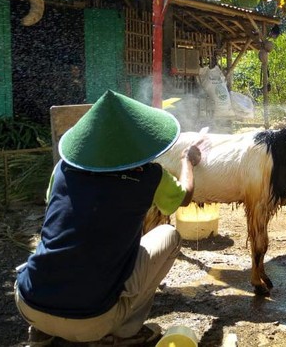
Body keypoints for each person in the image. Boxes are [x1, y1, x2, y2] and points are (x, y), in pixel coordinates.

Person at [14, 90, 201, 345]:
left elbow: (54, 210)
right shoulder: (148, 176)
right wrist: (187, 161)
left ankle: (42, 331)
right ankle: (127, 330)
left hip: (28, 303)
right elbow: (185, 197)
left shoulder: (62, 169)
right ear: (138, 144)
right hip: (92, 323)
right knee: (170, 236)